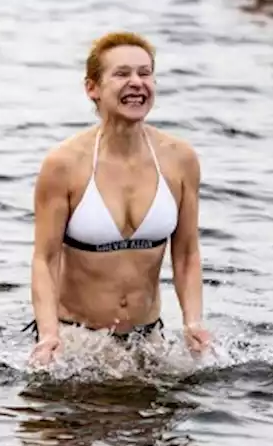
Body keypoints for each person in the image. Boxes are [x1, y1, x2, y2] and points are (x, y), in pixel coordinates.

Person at [26, 32, 210, 367]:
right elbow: (45, 259)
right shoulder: (64, 164)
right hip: (78, 341)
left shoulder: (180, 159)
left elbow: (186, 254)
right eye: (122, 74)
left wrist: (192, 322)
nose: (137, 83)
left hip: (148, 340)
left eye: (145, 73)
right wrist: (48, 333)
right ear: (92, 88)